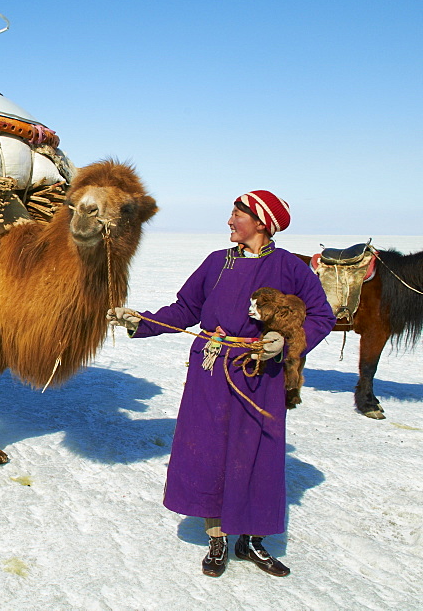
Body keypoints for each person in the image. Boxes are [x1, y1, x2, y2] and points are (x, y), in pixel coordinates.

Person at [107, 190, 335, 578]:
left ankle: (251, 541)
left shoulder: (290, 267)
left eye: (237, 216)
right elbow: (186, 309)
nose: (230, 222)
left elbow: (320, 315)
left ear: (262, 223)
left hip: (261, 373)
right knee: (209, 449)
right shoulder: (216, 263)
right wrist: (141, 322)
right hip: (211, 371)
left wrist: (284, 342)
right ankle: (217, 538)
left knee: (257, 453)